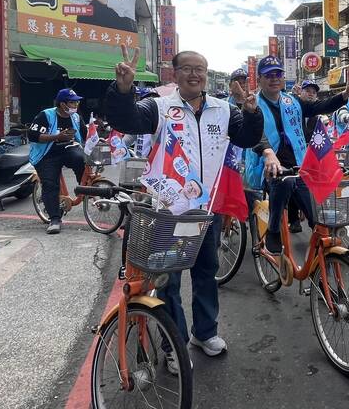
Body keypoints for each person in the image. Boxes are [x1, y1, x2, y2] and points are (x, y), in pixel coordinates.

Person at [105, 46, 263, 372]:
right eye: (187, 68)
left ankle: (205, 333)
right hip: (169, 210)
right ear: (175, 74)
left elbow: (248, 138)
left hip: (208, 208)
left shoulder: (223, 109)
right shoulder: (159, 106)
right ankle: (173, 343)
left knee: (207, 271)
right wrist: (123, 90)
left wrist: (251, 112)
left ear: (206, 75)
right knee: (169, 280)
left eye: (200, 69)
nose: (194, 74)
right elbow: (126, 119)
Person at [245, 56, 349, 252]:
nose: (274, 78)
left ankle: (321, 267)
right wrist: (268, 153)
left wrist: (344, 94)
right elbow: (254, 133)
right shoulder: (252, 103)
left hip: (298, 164)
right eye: (268, 75)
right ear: (259, 79)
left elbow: (318, 107)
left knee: (316, 215)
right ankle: (273, 229)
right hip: (265, 165)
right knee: (285, 181)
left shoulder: (292, 101)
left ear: (283, 78)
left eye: (278, 74)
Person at [28, 89, 87, 234]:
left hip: (67, 149)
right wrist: (56, 137)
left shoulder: (76, 118)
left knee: (80, 158)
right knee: (50, 184)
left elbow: (85, 134)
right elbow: (33, 135)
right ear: (62, 104)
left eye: (77, 102)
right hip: (47, 155)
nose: (75, 105)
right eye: (72, 102)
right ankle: (54, 219)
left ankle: (84, 186)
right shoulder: (46, 115)